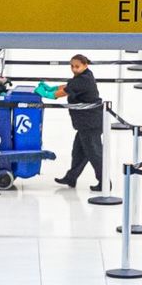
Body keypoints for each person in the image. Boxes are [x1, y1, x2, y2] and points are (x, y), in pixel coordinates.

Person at [50, 54, 105, 191]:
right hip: (84, 124)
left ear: (85, 65)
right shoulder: (84, 76)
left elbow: (64, 92)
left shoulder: (83, 80)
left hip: (90, 124)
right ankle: (71, 177)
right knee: (79, 152)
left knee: (94, 153)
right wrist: (53, 87)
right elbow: (68, 86)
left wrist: (49, 94)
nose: (74, 69)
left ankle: (104, 182)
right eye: (72, 66)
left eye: (77, 66)